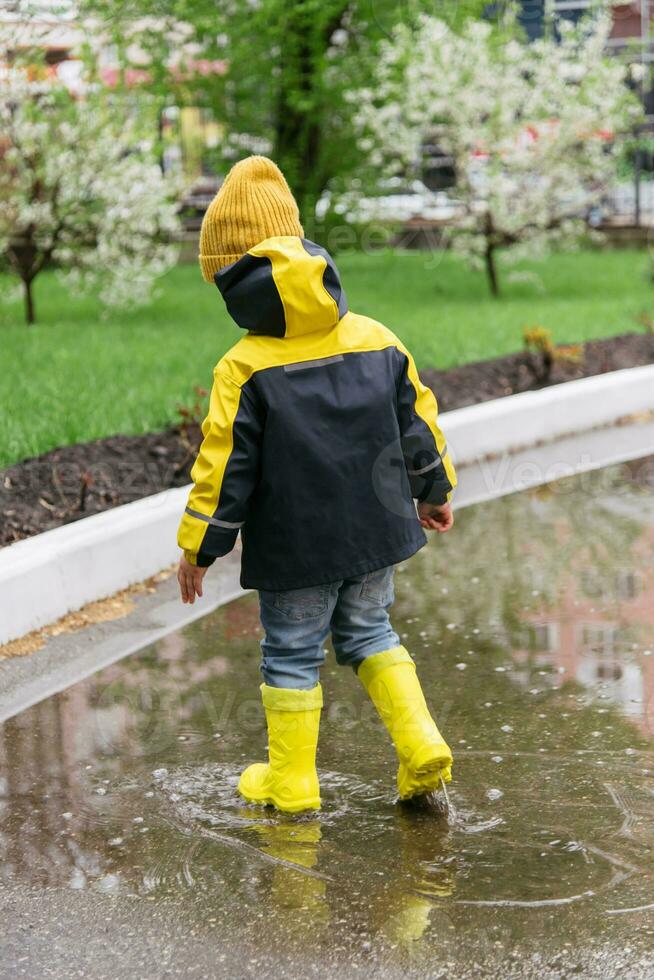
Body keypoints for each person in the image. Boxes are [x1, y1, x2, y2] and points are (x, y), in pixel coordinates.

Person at [176, 156, 457, 814]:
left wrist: (199, 545)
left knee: (292, 653)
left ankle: (294, 784)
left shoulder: (244, 367)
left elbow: (224, 468)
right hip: (376, 535)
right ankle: (420, 745)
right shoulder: (375, 339)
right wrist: (433, 491)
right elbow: (419, 421)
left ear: (232, 281)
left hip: (297, 549)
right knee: (371, 632)